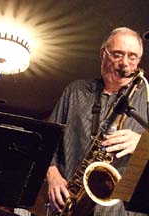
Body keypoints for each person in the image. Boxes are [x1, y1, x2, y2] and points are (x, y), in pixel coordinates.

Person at [46, 27, 149, 215]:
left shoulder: (147, 96)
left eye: (132, 57)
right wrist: (52, 175)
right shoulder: (75, 91)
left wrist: (143, 144)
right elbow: (47, 141)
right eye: (117, 54)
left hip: (121, 211)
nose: (124, 63)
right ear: (103, 54)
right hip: (70, 204)